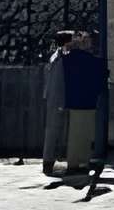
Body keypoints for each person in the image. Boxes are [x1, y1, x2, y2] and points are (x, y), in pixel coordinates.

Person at [58, 31, 107, 178]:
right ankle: (83, 162)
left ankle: (73, 163)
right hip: (89, 100)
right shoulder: (92, 60)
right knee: (86, 134)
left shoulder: (67, 60)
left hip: (73, 100)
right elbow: (101, 78)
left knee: (74, 134)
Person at [38, 30, 77, 177]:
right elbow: (58, 82)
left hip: (54, 99)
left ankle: (50, 161)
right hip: (58, 100)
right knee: (54, 131)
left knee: (54, 131)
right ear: (67, 42)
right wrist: (61, 102)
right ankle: (48, 162)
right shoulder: (60, 60)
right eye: (72, 39)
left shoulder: (56, 56)